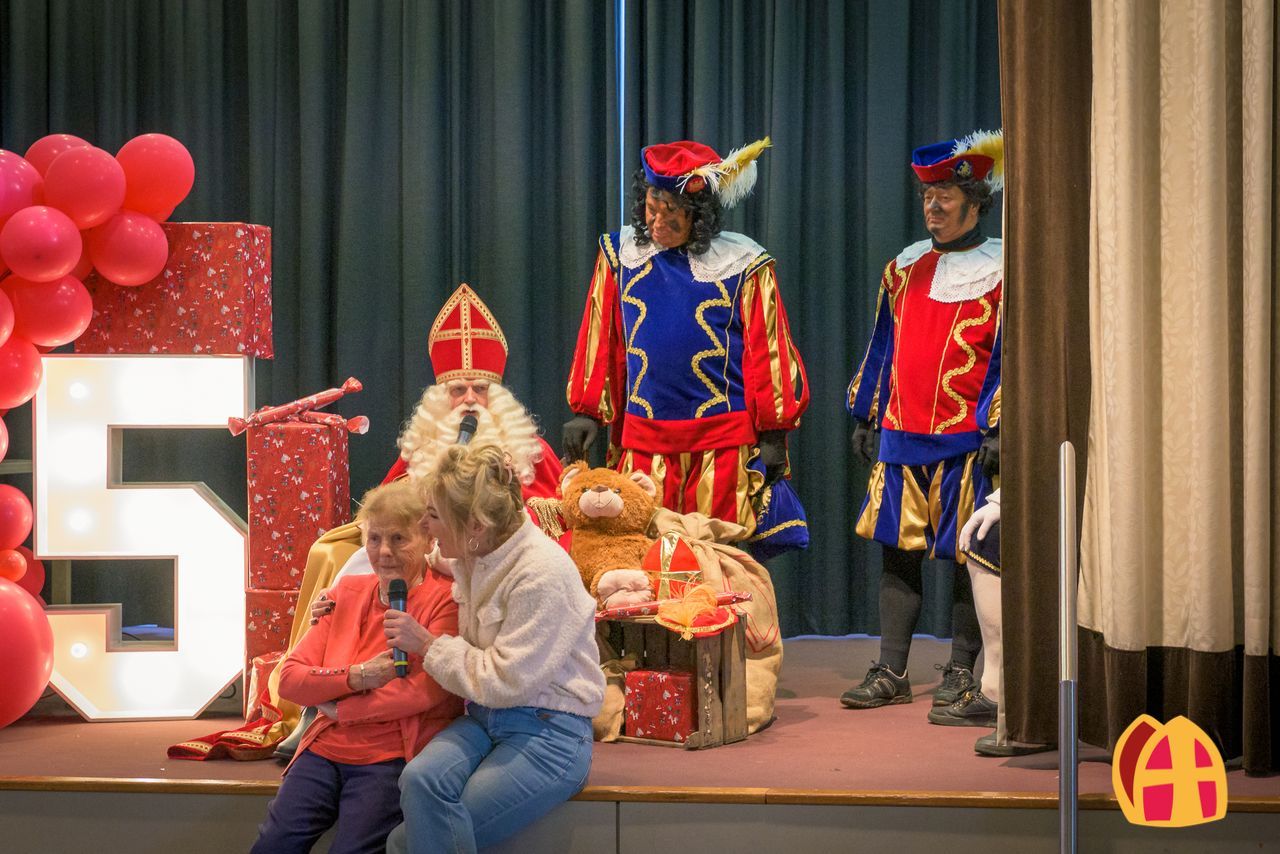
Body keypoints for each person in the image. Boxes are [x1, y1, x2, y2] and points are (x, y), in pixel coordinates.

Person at [563, 138, 809, 546]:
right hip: (645, 445)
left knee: (716, 558)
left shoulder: (744, 264)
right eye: (652, 207)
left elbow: (768, 350)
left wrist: (773, 434)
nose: (658, 221)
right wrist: (587, 411)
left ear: (699, 213)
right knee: (644, 555)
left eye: (672, 212)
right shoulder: (621, 255)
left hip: (722, 448)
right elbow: (601, 335)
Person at [842, 130, 1003, 717]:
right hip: (903, 433)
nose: (932, 206)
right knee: (897, 553)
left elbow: (1011, 356)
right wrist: (867, 411)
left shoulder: (1003, 268)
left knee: (967, 557)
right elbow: (883, 345)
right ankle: (892, 670)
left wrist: (999, 426)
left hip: (967, 440)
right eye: (927, 196)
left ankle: (961, 674)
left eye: (944, 196)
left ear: (974, 201)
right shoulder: (905, 267)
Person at [384, 443, 605, 854]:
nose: (425, 526)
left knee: (410, 841)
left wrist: (428, 645)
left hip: (550, 734)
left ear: (475, 526)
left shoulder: (540, 574)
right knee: (418, 779)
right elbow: (438, 558)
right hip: (486, 720)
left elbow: (505, 681)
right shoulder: (480, 549)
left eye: (434, 516)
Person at [251, 480, 463, 854]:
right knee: (274, 844)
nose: (384, 552)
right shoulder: (345, 592)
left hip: (390, 756)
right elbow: (290, 679)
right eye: (375, 539)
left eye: (399, 539)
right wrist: (358, 676)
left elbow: (425, 692)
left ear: (428, 540)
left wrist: (342, 709)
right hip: (324, 748)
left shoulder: (445, 599)